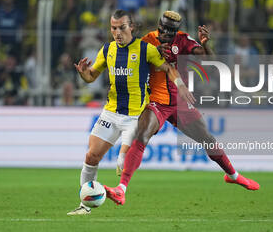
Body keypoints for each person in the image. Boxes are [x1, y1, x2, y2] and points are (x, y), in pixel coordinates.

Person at [106, 11, 260, 206]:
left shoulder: (184, 41)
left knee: (208, 139)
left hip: (181, 103)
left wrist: (205, 45)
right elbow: (132, 61)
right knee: (141, 135)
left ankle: (233, 175)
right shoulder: (147, 41)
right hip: (156, 101)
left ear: (175, 32)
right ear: (159, 27)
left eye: (168, 33)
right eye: (162, 30)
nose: (164, 35)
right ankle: (121, 189)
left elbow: (209, 63)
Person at [67, 9, 194, 215]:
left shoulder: (146, 49)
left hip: (135, 116)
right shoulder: (107, 49)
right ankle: (84, 205)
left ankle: (120, 189)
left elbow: (169, 68)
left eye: (122, 27)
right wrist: (83, 74)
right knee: (91, 157)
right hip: (111, 112)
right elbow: (92, 77)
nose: (117, 32)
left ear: (131, 27)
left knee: (122, 160)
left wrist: (180, 85)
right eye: (113, 28)